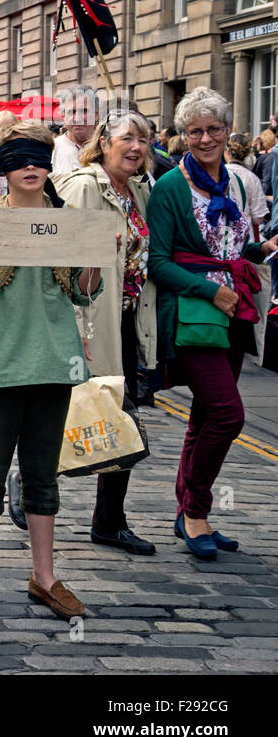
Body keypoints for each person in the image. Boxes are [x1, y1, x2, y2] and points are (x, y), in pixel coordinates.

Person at [0, 121, 103, 620]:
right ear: (3, 167)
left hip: (52, 362)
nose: (31, 167)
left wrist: (94, 266)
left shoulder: (69, 220)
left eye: (38, 157)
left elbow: (82, 292)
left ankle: (45, 575)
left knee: (41, 476)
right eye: (19, 159)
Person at [148, 87, 278, 559]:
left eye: (214, 128)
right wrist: (211, 290)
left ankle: (189, 510)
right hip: (196, 312)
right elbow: (158, 262)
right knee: (228, 413)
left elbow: (230, 246)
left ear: (227, 130)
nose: (205, 138)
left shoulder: (239, 182)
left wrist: (258, 250)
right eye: (195, 131)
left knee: (205, 414)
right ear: (183, 136)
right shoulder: (169, 189)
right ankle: (196, 511)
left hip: (235, 309)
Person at [54, 110, 159, 556]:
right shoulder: (83, 186)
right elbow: (60, 260)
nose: (135, 147)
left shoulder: (138, 190)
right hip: (88, 321)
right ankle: (30, 480)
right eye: (126, 138)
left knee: (117, 418)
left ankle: (108, 520)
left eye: (143, 140)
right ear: (104, 142)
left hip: (126, 319)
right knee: (76, 413)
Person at [225, 133, 270, 238]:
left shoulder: (217, 173)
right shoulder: (252, 178)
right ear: (247, 154)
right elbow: (258, 218)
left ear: (227, 152)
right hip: (244, 237)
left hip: (220, 237)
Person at [52, 85, 98, 174]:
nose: (77, 118)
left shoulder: (109, 149)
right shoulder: (51, 149)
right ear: (63, 116)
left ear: (96, 114)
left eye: (84, 111)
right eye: (71, 112)